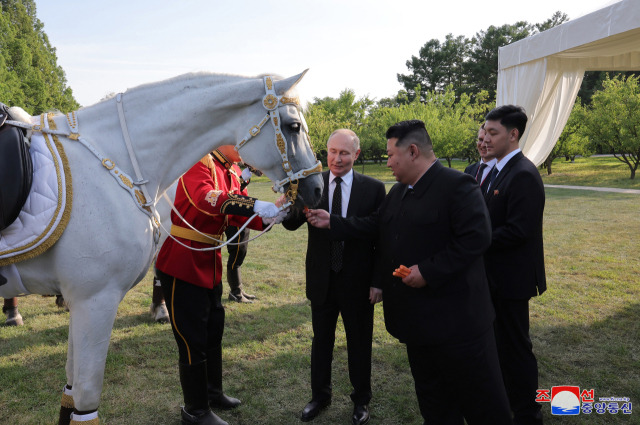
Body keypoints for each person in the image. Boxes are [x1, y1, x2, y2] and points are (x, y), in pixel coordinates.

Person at [306, 120, 512, 425]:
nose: (387, 162)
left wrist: (428, 271)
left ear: (413, 151)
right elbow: (375, 224)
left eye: (391, 155)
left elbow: (476, 238)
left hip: (460, 329)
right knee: (434, 403)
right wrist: (333, 221)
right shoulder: (400, 192)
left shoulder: (458, 186)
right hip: (420, 327)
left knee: (483, 406)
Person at [155, 146, 286, 425]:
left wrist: (274, 212)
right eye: (237, 142)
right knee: (192, 340)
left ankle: (213, 394)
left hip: (208, 259)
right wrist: (255, 205)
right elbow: (206, 199)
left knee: (213, 332)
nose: (244, 148)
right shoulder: (197, 160)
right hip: (184, 261)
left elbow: (237, 214)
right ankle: (195, 410)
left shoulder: (230, 170)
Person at [283, 129, 385, 425]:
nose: (337, 158)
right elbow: (293, 224)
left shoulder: (374, 189)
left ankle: (361, 399)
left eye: (344, 153)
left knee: (359, 343)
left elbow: (377, 233)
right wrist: (287, 206)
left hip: (358, 281)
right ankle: (319, 396)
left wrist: (378, 281)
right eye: (331, 152)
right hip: (322, 280)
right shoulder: (314, 185)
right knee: (321, 341)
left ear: (357, 154)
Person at [481, 105, 546, 425]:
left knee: (516, 347)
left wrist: (473, 238)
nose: (486, 138)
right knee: (499, 344)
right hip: (493, 277)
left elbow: (519, 230)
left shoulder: (523, 173)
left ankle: (527, 412)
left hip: (512, 279)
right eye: (485, 131)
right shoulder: (497, 169)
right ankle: (507, 399)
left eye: (493, 133)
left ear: (513, 134)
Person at [223, 160, 262, 303]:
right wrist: (243, 179)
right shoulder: (227, 167)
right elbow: (231, 190)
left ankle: (238, 289)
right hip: (235, 216)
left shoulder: (235, 167)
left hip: (243, 213)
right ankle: (235, 292)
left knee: (241, 252)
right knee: (237, 252)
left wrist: (248, 174)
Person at [464, 124, 496, 193]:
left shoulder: (501, 171)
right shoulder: (469, 170)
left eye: (488, 141)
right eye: (481, 140)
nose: (483, 145)